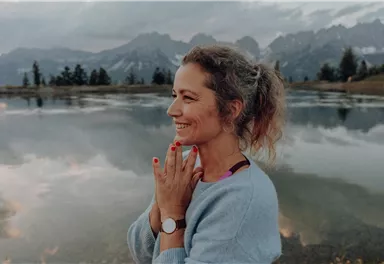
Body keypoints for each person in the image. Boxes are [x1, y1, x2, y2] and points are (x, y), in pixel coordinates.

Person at [127, 44, 285, 264]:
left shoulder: (243, 200)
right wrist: (160, 208)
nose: (171, 110)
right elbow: (140, 253)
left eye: (188, 98)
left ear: (230, 110)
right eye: (174, 95)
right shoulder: (183, 168)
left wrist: (173, 214)